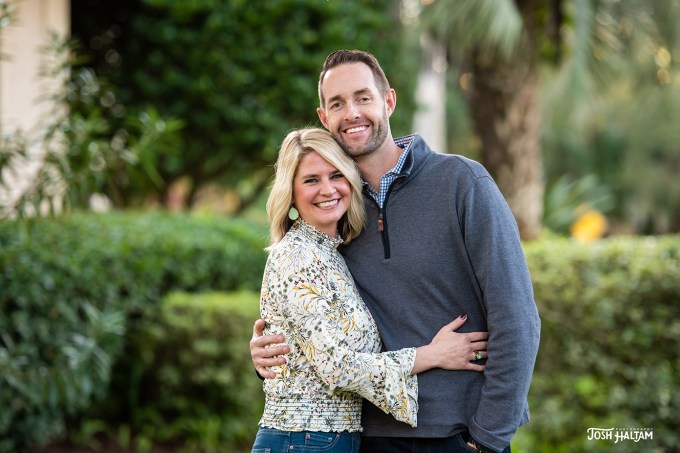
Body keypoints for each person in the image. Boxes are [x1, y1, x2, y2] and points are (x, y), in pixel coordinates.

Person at [251, 50, 541, 453]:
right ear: (324, 118)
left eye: (363, 98)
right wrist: (270, 353)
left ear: (388, 101)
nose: (352, 113)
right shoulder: (335, 211)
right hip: (368, 438)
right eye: (337, 104)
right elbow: (317, 331)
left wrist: (488, 437)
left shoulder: (461, 182)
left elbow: (517, 317)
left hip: (458, 435)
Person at [251, 127, 490, 453]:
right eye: (311, 180)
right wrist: (432, 355)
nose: (327, 189)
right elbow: (337, 368)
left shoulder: (333, 252)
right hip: (302, 439)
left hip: (330, 440)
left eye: (337, 175)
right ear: (290, 193)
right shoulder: (296, 257)